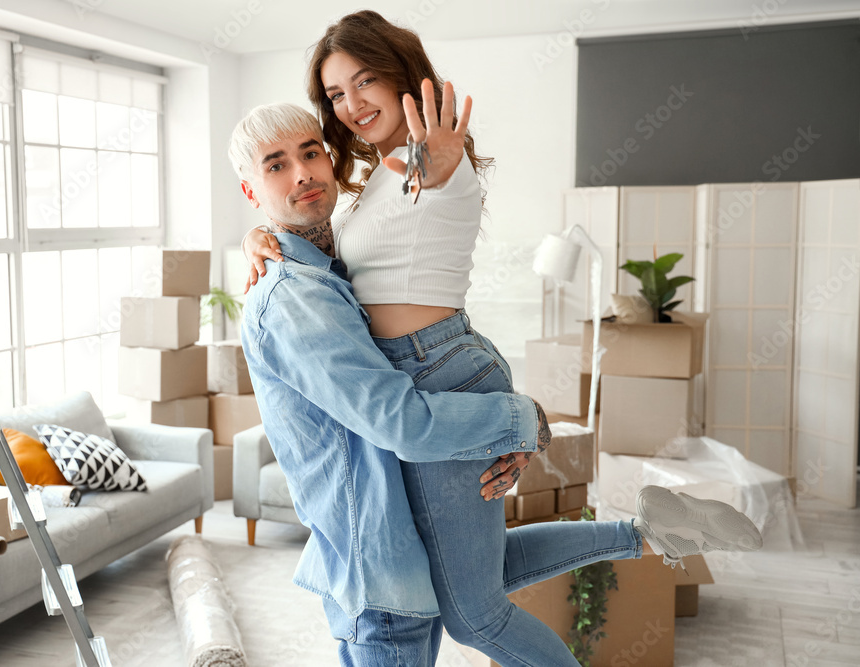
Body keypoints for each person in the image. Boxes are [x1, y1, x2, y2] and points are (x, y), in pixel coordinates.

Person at [231, 101, 762, 666]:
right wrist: (516, 420)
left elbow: (400, 423)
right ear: (250, 190)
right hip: (395, 510)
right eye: (276, 165)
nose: (303, 173)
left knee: (477, 612)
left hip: (385, 548)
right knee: (478, 579)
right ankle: (648, 533)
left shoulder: (324, 263)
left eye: (310, 153)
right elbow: (398, 420)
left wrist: (517, 422)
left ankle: (645, 535)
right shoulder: (295, 291)